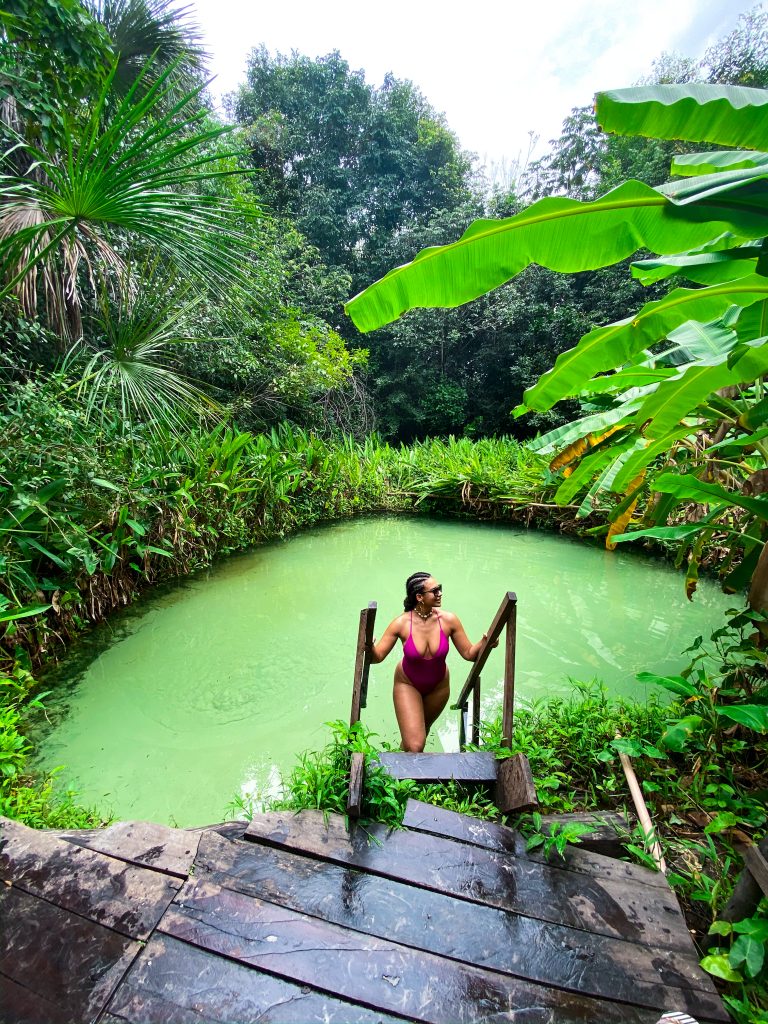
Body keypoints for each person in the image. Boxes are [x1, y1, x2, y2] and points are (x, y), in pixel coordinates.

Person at [367, 571, 493, 752]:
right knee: (415, 744)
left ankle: (400, 769)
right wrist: (369, 647)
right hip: (408, 683)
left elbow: (469, 653)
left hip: (438, 687)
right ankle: (404, 770)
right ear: (419, 597)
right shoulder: (401, 623)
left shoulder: (449, 620)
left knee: (419, 735)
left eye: (440, 589)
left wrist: (485, 642)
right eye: (435, 591)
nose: (440, 593)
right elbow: (377, 657)